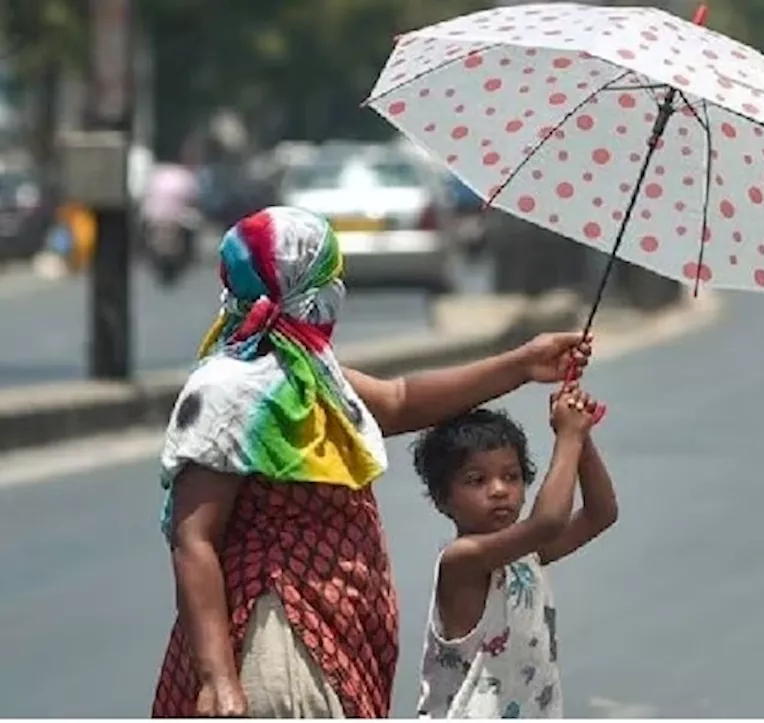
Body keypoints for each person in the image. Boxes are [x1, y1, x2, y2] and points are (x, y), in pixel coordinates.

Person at [150, 206, 592, 718]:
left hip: (333, 633)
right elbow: (193, 538)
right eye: (328, 277)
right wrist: (217, 679)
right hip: (275, 632)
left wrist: (522, 364)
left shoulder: (312, 372)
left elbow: (401, 400)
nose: (337, 290)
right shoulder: (229, 388)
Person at [413, 387, 617, 718]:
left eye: (511, 477)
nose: (499, 490)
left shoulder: (525, 555)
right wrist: (568, 436)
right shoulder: (461, 561)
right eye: (476, 480)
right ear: (442, 499)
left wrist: (581, 436)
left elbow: (601, 512)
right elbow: (548, 522)